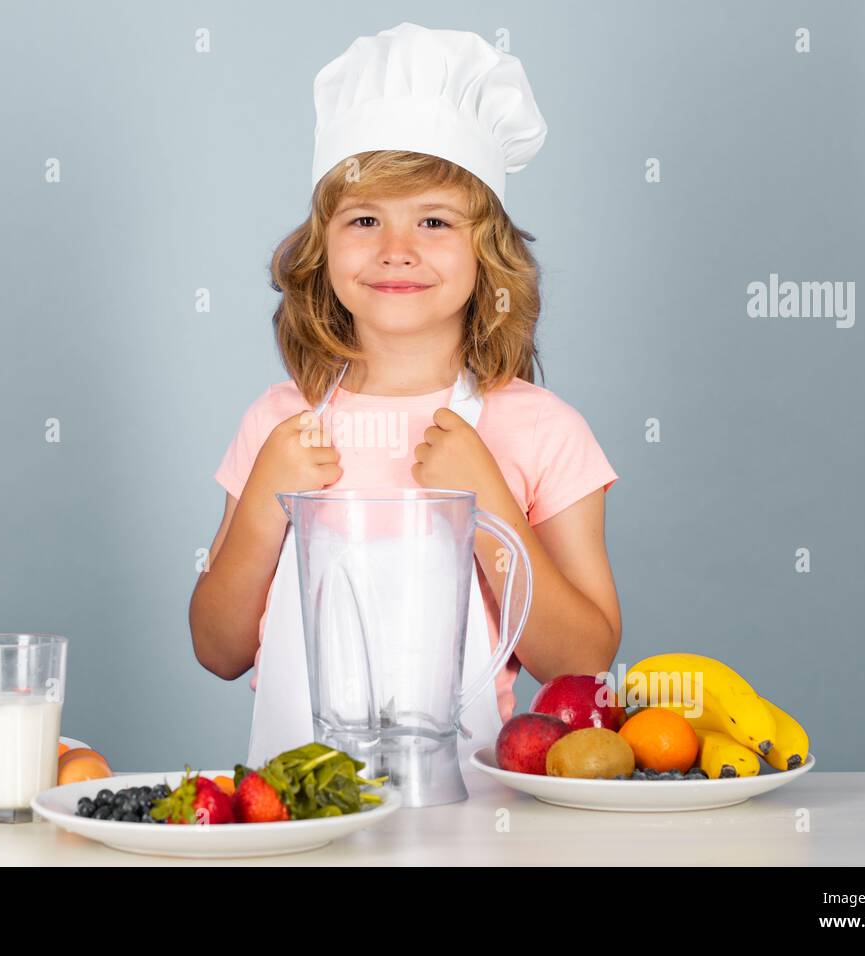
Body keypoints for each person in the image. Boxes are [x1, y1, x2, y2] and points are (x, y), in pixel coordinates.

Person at [189, 23, 621, 767]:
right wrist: (264, 498)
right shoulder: (277, 424)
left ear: (488, 258)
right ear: (322, 250)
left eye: (434, 220)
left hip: (474, 821)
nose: (397, 248)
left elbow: (580, 662)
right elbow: (218, 648)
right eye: (364, 220)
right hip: (297, 821)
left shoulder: (544, 431)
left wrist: (491, 509)